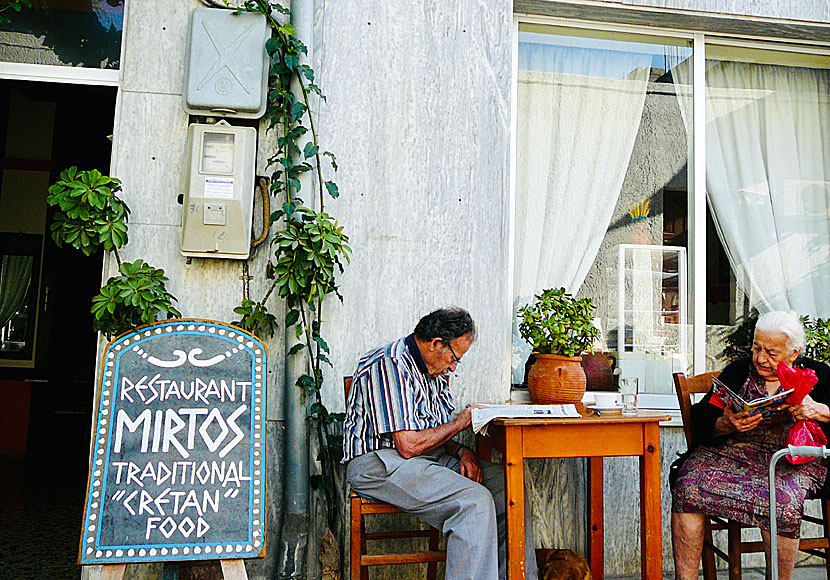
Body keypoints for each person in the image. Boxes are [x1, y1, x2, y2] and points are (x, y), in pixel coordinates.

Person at [342, 307, 539, 580]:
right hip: (380, 462)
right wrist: (461, 423)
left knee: (509, 489)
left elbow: (435, 433)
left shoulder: (434, 371)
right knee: (474, 501)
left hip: (425, 459)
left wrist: (462, 450)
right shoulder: (390, 364)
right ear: (436, 344)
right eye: (454, 357)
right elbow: (408, 445)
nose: (454, 367)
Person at [671, 311, 830, 580]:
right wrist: (727, 423)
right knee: (688, 484)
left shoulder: (818, 375)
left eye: (771, 352)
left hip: (790, 458)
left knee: (782, 500)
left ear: (794, 353)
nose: (760, 359)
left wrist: (819, 410)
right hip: (733, 452)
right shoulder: (737, 371)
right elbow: (703, 417)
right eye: (757, 348)